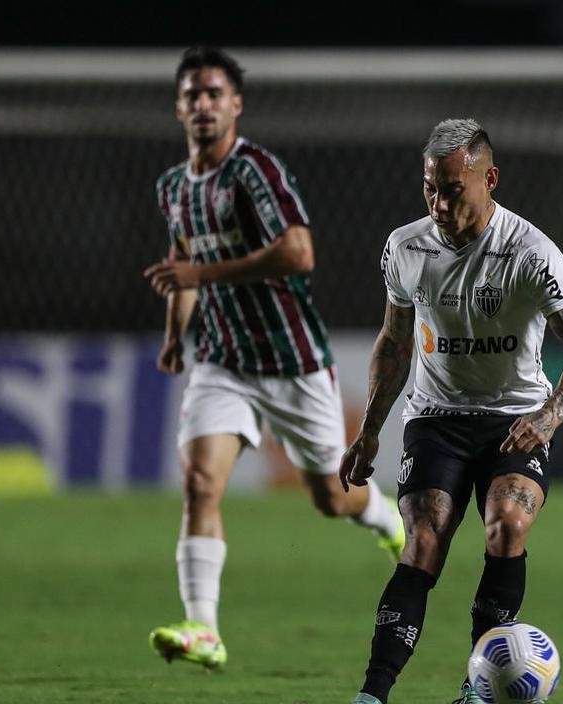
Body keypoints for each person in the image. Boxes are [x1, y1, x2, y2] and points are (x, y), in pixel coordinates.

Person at [324, 119, 563, 704]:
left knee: (507, 527)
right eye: (430, 189)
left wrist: (549, 416)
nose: (440, 203)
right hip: (436, 418)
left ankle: (475, 693)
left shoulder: (531, 251)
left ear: (489, 179)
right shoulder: (405, 247)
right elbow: (394, 343)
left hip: (512, 422)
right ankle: (371, 700)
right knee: (424, 542)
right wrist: (371, 431)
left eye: (453, 189)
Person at [142, 46, 404, 671]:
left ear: (235, 103)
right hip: (222, 362)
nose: (202, 104)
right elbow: (184, 271)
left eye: (213, 93)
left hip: (292, 363)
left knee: (329, 499)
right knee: (200, 482)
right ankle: (203, 628)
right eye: (191, 95)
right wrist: (177, 335)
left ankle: (381, 513)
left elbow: (298, 252)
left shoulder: (254, 170)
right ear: (179, 107)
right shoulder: (173, 188)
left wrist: (200, 272)